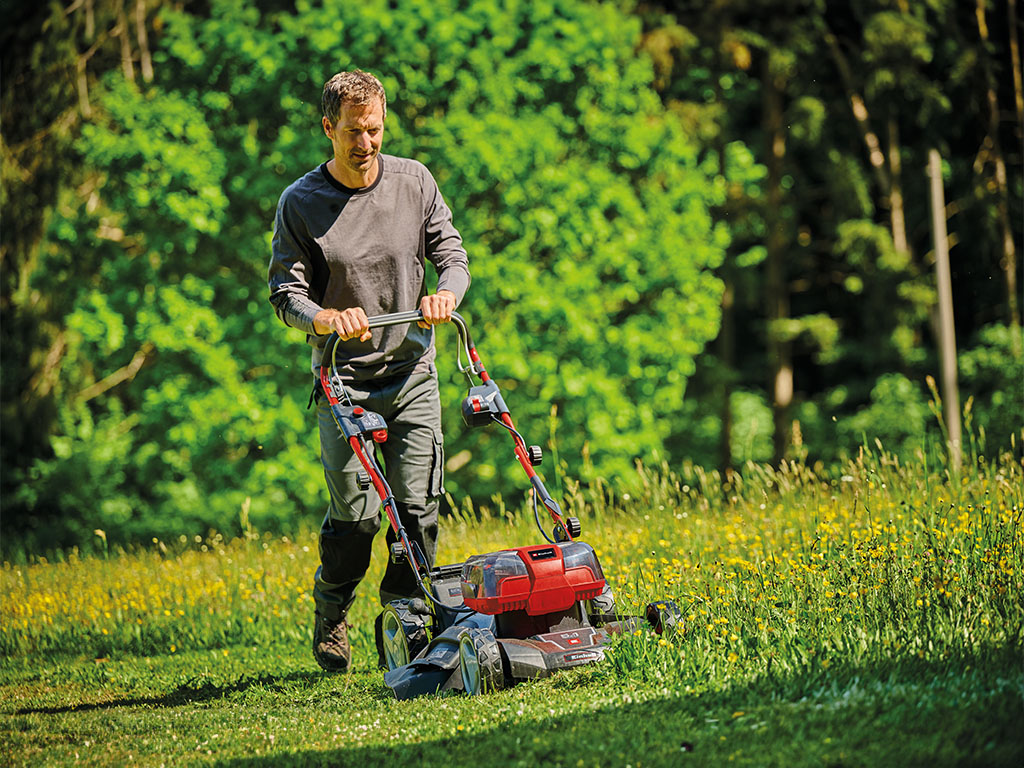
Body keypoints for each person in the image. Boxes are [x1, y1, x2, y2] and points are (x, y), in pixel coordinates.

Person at [268, 70, 470, 672]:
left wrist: (446, 296)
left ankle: (406, 619)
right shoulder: (301, 203)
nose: (366, 144)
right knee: (356, 517)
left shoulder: (415, 183)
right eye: (353, 131)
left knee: (419, 509)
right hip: (344, 381)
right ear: (328, 128)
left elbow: (452, 256)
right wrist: (326, 319)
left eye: (375, 129)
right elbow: (285, 293)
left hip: (412, 373)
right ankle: (332, 609)